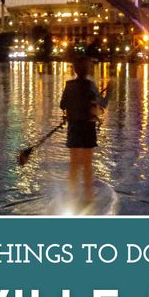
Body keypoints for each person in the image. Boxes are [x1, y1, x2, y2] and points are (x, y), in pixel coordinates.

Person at [59, 55, 111, 205]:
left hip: (73, 128)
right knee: (87, 165)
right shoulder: (91, 85)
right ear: (87, 69)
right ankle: (89, 197)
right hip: (87, 129)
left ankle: (72, 196)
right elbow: (103, 104)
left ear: (75, 70)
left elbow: (62, 104)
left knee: (74, 164)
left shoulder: (69, 85)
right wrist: (110, 90)